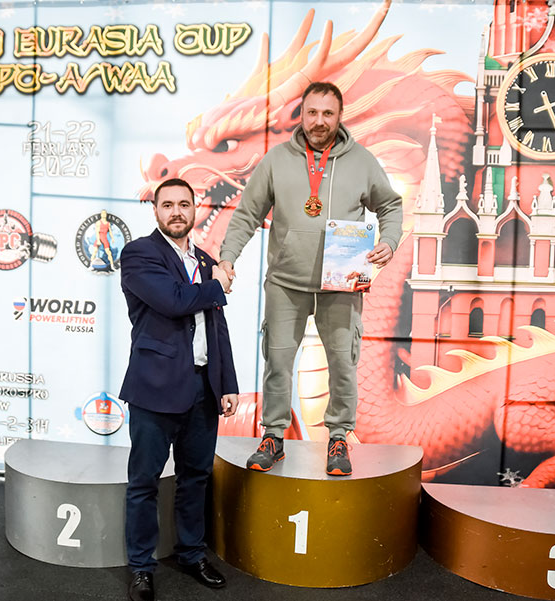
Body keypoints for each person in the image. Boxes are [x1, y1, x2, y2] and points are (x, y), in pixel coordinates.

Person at [218, 82, 402, 476]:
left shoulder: (362, 161)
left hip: (342, 281)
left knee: (343, 363)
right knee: (278, 362)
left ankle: (338, 438)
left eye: (328, 114)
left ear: (340, 116)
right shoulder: (276, 160)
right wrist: (228, 257)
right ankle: (273, 436)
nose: (319, 121)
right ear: (301, 115)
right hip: (286, 282)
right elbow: (247, 214)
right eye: (312, 112)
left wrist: (389, 241)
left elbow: (390, 206)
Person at [119, 178, 239, 601]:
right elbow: (172, 301)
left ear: (195, 209)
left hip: (204, 388)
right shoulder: (139, 254)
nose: (176, 212)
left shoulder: (205, 261)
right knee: (144, 483)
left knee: (196, 478)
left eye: (184, 204)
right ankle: (141, 567)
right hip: (154, 389)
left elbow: (216, 326)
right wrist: (218, 284)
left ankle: (191, 554)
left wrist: (227, 382)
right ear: (155, 210)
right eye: (167, 204)